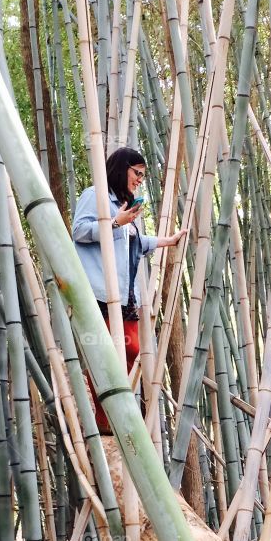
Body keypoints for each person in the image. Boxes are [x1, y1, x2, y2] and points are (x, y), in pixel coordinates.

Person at [72, 146, 183, 430]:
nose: (139, 180)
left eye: (143, 176)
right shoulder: (95, 196)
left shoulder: (126, 204)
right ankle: (103, 420)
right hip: (101, 291)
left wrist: (167, 241)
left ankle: (107, 410)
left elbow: (134, 242)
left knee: (131, 350)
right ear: (122, 168)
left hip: (125, 294)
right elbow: (80, 232)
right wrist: (112, 222)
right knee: (107, 356)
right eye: (137, 173)